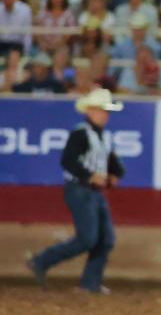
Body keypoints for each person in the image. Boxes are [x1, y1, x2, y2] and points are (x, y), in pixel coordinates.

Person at [24, 88, 126, 295]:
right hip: (80, 190)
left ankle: (90, 283)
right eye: (102, 110)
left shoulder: (98, 136)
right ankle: (42, 261)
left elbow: (111, 162)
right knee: (89, 238)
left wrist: (114, 173)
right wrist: (90, 175)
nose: (106, 115)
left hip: (92, 192)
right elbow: (68, 160)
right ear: (91, 110)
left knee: (105, 239)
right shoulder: (81, 133)